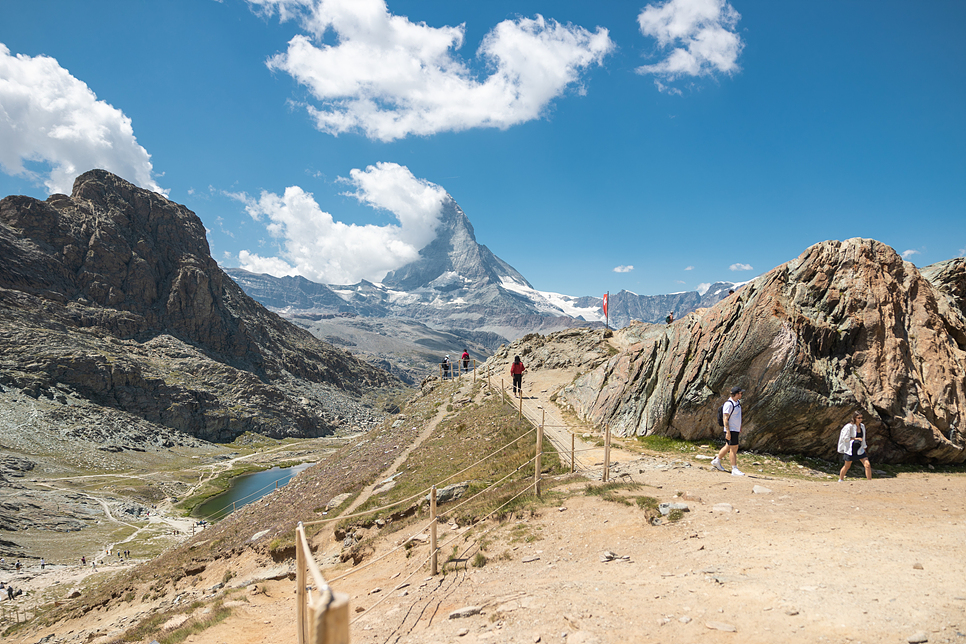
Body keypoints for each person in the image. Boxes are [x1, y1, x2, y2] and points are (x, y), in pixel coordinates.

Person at [711, 387, 745, 476]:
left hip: (735, 429)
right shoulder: (729, 404)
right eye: (740, 393)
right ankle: (734, 469)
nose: (741, 395)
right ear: (736, 394)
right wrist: (728, 432)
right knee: (734, 448)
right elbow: (725, 418)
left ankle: (716, 461)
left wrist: (739, 427)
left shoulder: (737, 403)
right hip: (731, 429)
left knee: (728, 446)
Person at [838, 411, 872, 481]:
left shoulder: (862, 426)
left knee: (867, 465)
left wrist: (864, 447)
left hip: (860, 449)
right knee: (847, 466)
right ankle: (841, 479)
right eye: (858, 418)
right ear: (854, 418)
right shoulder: (849, 426)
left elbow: (863, 438)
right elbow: (845, 438)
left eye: (861, 418)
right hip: (850, 449)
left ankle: (869, 481)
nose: (860, 419)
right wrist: (855, 438)